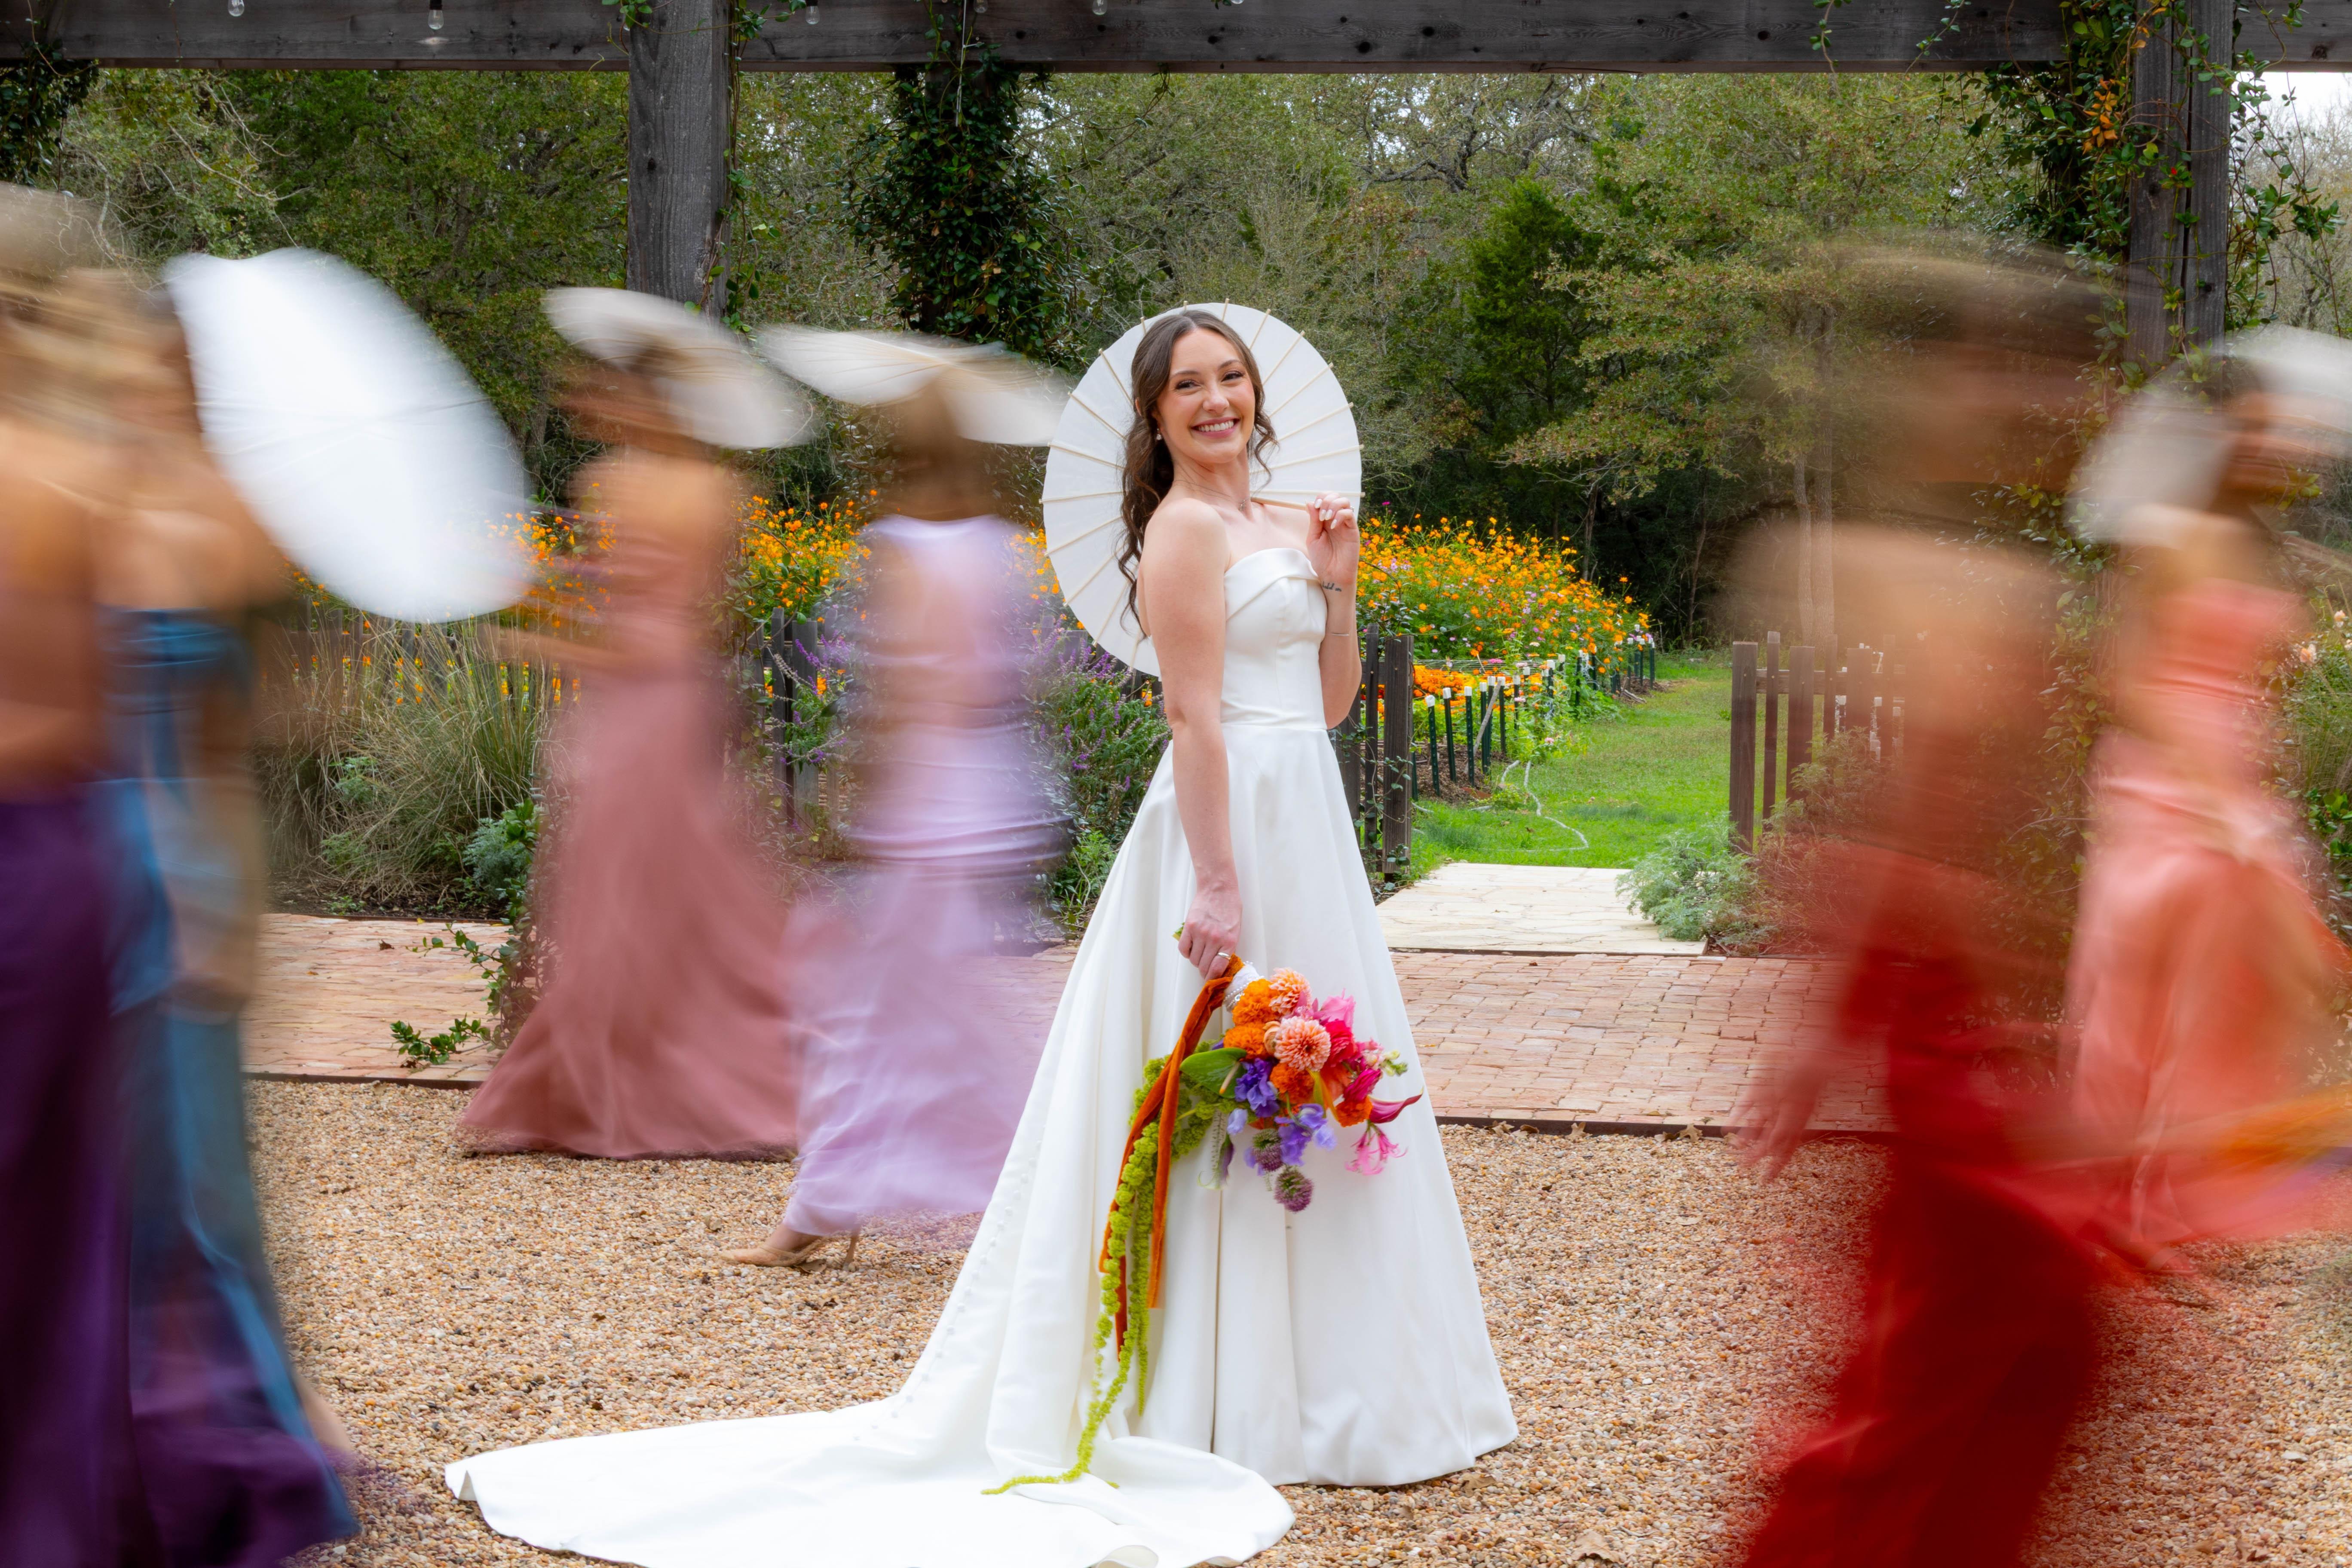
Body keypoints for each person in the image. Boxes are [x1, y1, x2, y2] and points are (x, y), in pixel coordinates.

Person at [447, 307, 1515, 1567]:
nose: (1216, 401)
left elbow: (1327, 704)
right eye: (1188, 386)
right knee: (1203, 1080)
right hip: (1224, 826)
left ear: (1258, 395)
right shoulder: (1180, 532)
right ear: (1158, 417)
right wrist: (1218, 885)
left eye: (1231, 379)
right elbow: (1193, 718)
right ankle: (1208, 1379)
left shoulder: (1292, 524)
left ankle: (1334, 1370)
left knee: (1317, 1074)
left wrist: (1337, 585)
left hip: (1307, 823)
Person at [1732, 254, 2108, 1568]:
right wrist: (1824, 1028)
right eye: (1994, 368)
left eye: (2041, 374)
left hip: (1976, 1020)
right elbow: (1891, 837)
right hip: (1931, 1021)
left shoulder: (2019, 584)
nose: (2029, 400)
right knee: (1971, 1347)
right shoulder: (1853, 562)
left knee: (2015, 1342)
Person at [84, 273, 358, 1566]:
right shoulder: (72, 499)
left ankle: (255, 1426)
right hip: (63, 862)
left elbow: (248, 740)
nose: (126, 388)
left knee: (196, 1174)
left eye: (146, 364)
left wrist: (233, 913)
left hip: (177, 866)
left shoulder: (230, 516)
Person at [722, 338, 1066, 1269]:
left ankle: (871, 1201)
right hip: (990, 800)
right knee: (935, 1010)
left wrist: (851, 798)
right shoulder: (1002, 547)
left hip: (925, 808)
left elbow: (908, 692)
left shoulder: (903, 546)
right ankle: (997, 1189)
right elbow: (1018, 678)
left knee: (872, 1009)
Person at [455, 290, 808, 1161]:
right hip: (654, 699)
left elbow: (638, 619)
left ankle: (654, 1091)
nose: (609, 403)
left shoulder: (663, 487)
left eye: (623, 390)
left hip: (653, 699)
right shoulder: (672, 485)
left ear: (654, 399)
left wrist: (538, 638)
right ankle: (600, 1085)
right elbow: (613, 602)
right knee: (617, 888)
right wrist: (544, 606)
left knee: (642, 891)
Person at [2067, 355, 2351, 1263]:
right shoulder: (2163, 533)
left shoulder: (2262, 545)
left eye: (2280, 429)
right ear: (2214, 432)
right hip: (2165, 782)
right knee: (2145, 997)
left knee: (2234, 994)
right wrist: (2212, 799)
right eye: (2253, 426)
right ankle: (2106, 1200)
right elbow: (2125, 680)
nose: (2274, 445)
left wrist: (2255, 785)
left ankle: (2171, 1200)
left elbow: (2259, 680)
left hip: (2239, 777)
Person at [0, 188, 143, 1568]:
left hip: (28, 862)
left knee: (29, 1190)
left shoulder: (53, 483)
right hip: (51, 861)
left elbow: (77, 721)